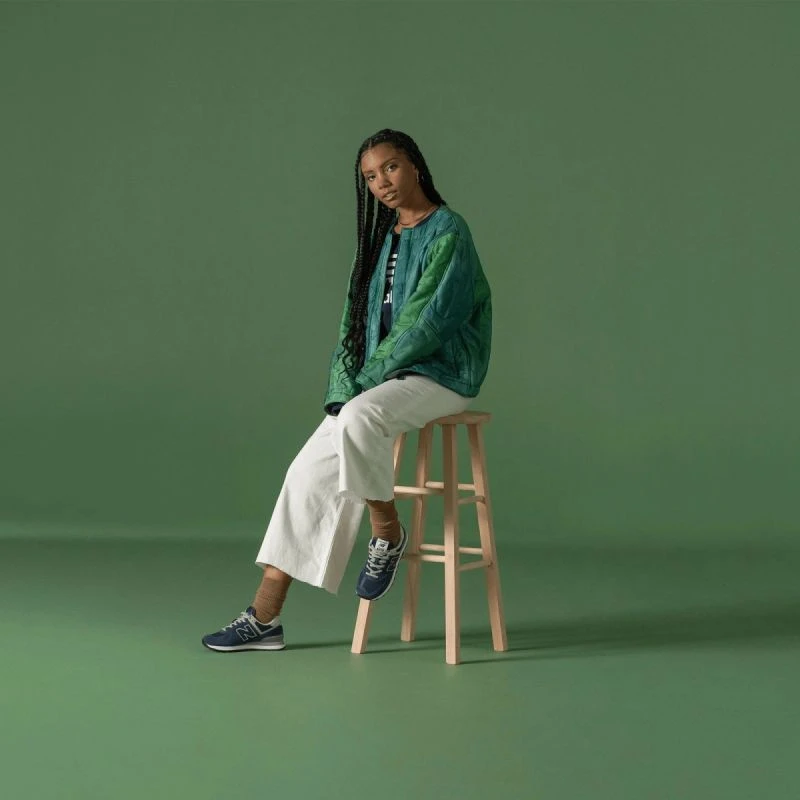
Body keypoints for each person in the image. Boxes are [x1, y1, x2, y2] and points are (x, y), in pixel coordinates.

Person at [202, 128, 492, 652]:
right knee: (305, 471)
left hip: (442, 375)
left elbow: (425, 323)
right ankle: (265, 617)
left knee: (359, 420)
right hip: (379, 382)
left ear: (416, 165)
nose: (382, 183)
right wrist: (343, 387)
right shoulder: (381, 240)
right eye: (371, 176)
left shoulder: (449, 231)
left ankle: (388, 532)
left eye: (391, 167)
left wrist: (362, 386)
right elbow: (351, 325)